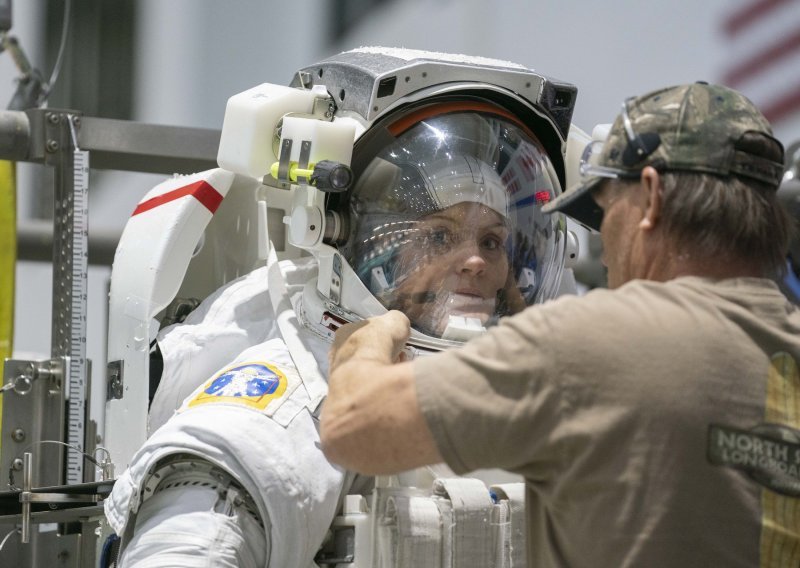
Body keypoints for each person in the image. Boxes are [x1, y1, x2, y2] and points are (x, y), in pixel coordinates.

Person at [103, 47, 577, 567]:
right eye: (440, 237)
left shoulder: (546, 394)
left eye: (491, 242)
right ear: (351, 240)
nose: (473, 261)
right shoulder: (296, 399)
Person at [320, 82, 800, 567]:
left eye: (605, 211)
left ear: (651, 197)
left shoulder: (597, 342)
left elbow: (353, 426)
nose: (603, 248)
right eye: (441, 236)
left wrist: (365, 340)